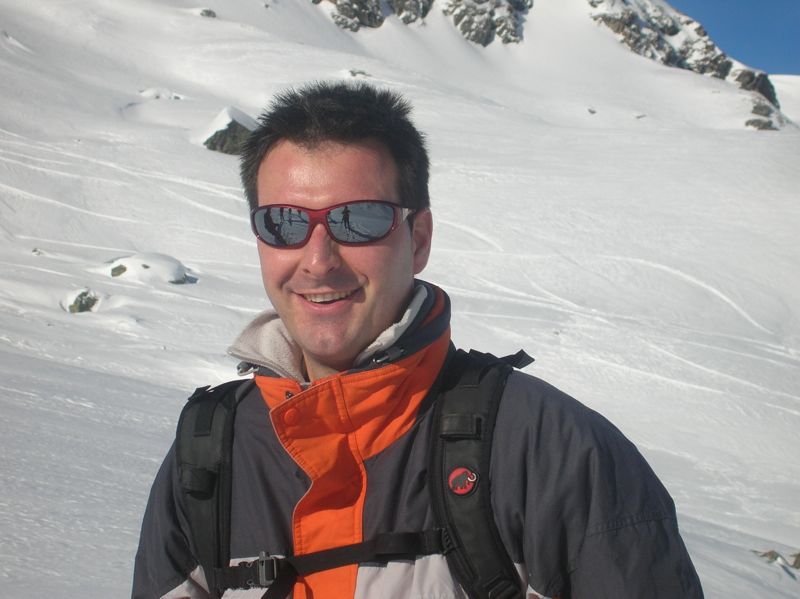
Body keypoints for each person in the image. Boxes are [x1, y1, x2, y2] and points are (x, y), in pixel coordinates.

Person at [132, 81, 704, 599]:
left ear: (419, 238)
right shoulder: (208, 456)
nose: (318, 260)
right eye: (283, 222)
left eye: (359, 220)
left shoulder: (552, 453)